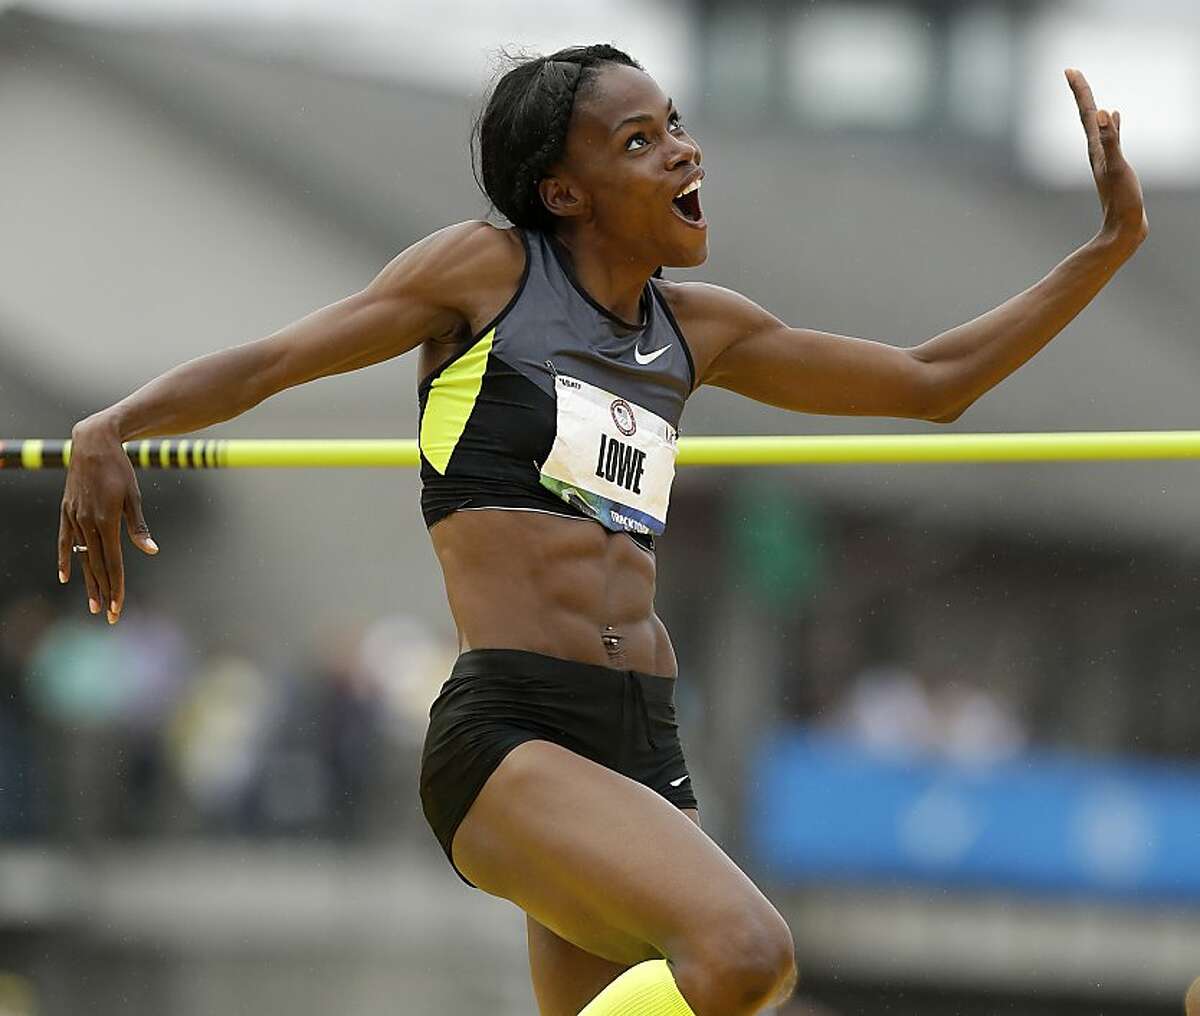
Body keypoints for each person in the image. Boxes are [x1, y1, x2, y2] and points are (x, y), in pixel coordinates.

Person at [55, 44, 1145, 1016]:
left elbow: (931, 380)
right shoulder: (485, 275)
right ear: (565, 189)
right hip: (511, 732)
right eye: (642, 138)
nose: (681, 150)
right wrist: (118, 422)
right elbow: (271, 362)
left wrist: (1104, 247)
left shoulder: (698, 327)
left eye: (675, 123)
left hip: (641, 742)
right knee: (745, 952)